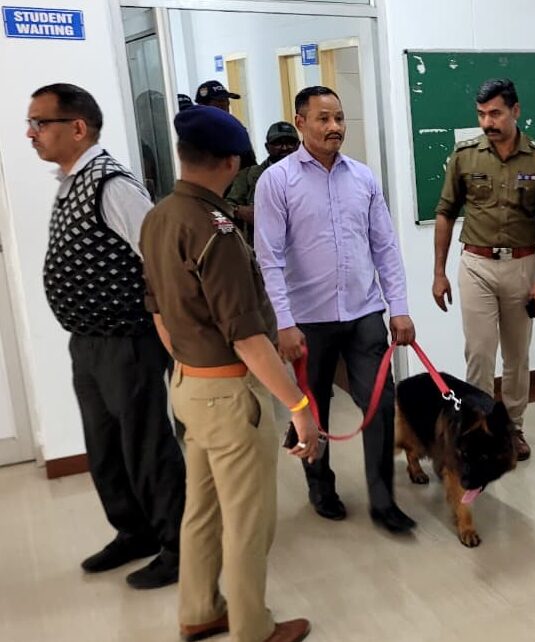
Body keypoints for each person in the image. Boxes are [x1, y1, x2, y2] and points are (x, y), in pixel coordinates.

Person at [141, 105, 317, 642]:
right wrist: (299, 407)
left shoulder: (160, 216)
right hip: (228, 394)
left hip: (188, 384)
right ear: (232, 161)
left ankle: (199, 609)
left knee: (202, 509)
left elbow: (157, 311)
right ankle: (252, 627)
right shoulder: (215, 231)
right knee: (248, 519)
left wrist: (190, 365)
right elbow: (247, 338)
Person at [28, 83, 185, 590]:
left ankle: (179, 547)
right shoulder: (70, 182)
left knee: (146, 445)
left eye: (40, 123)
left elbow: (159, 258)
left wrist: (168, 331)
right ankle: (134, 532)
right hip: (88, 343)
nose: (31, 133)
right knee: (105, 447)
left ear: (77, 128)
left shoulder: (112, 184)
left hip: (127, 342)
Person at [255, 86, 416, 531]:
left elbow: (385, 247)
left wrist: (399, 307)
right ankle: (320, 486)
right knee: (313, 408)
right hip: (307, 320)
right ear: (300, 122)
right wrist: (283, 322)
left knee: (380, 404)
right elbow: (269, 258)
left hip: (364, 313)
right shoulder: (277, 181)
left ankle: (383, 500)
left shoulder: (362, 178)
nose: (335, 127)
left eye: (339, 118)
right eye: (323, 118)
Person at [431, 78, 535, 461]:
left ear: (515, 111)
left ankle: (513, 429)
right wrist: (438, 272)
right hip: (476, 266)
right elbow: (445, 213)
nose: (487, 122)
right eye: (481, 114)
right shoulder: (465, 155)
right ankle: (478, 430)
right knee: (480, 353)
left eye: (495, 113)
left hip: (522, 266)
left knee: (517, 356)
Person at [226, 121, 300, 243]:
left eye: (290, 143)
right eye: (278, 143)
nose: (285, 148)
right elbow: (225, 206)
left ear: (298, 145)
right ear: (267, 147)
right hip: (261, 245)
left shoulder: (311, 174)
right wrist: (240, 211)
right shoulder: (248, 175)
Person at [195, 79, 257, 171]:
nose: (225, 107)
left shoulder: (236, 130)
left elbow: (249, 166)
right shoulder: (193, 133)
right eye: (219, 103)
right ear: (203, 106)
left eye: (227, 102)